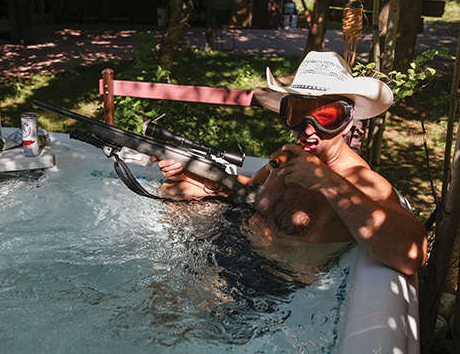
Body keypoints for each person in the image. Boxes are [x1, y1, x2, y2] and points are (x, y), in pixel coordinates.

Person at [151, 51, 427, 276]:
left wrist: (328, 182)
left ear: (347, 122)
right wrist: (189, 175)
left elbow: (411, 256)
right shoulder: (286, 158)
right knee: (172, 191)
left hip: (278, 287)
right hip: (233, 250)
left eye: (326, 117)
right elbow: (248, 188)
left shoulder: (361, 181)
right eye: (298, 114)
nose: (308, 129)